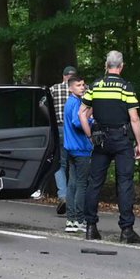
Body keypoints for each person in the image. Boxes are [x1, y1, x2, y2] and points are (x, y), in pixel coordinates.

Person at [81, 50, 140, 244]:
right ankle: (126, 230)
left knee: (94, 182)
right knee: (124, 183)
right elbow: (134, 118)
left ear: (106, 65)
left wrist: (90, 135)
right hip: (122, 139)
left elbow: (82, 114)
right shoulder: (126, 87)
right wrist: (139, 142)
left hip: (100, 139)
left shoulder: (95, 86)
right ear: (121, 66)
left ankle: (91, 227)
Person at [61, 76, 93, 233]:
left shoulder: (69, 103)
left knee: (72, 183)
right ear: (70, 88)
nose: (82, 87)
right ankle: (79, 219)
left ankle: (71, 219)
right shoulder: (77, 103)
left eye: (83, 85)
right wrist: (91, 121)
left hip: (70, 148)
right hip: (81, 149)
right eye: (78, 85)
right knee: (81, 184)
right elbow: (77, 122)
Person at [49, 64, 78, 213]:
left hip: (59, 129)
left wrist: (50, 119)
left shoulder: (54, 89)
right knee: (76, 163)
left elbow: (42, 104)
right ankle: (76, 199)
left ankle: (63, 196)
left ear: (63, 76)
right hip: (76, 130)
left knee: (60, 164)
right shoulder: (80, 89)